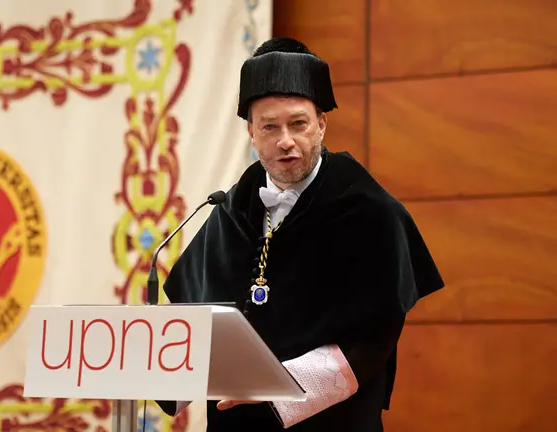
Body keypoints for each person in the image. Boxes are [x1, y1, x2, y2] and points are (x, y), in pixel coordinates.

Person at [154, 38, 445, 431]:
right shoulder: (228, 211)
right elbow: (194, 325)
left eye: (298, 124)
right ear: (251, 133)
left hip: (331, 422)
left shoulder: (369, 212)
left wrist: (277, 386)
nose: (285, 140)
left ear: (321, 124)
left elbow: (373, 336)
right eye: (269, 127)